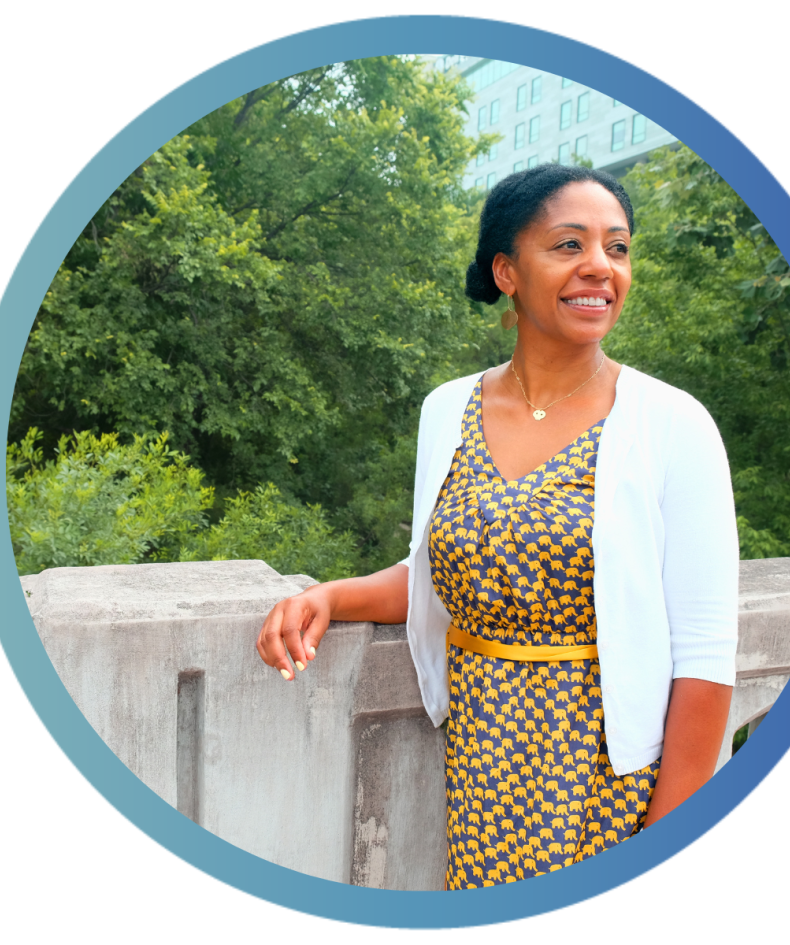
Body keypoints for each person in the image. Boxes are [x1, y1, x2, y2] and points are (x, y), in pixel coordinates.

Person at [257, 163, 739, 889]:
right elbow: (442, 572)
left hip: (607, 777)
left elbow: (704, 655)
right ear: (507, 270)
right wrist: (328, 596)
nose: (599, 268)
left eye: (618, 247)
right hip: (485, 765)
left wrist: (663, 850)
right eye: (569, 245)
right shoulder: (448, 409)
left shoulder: (673, 424)